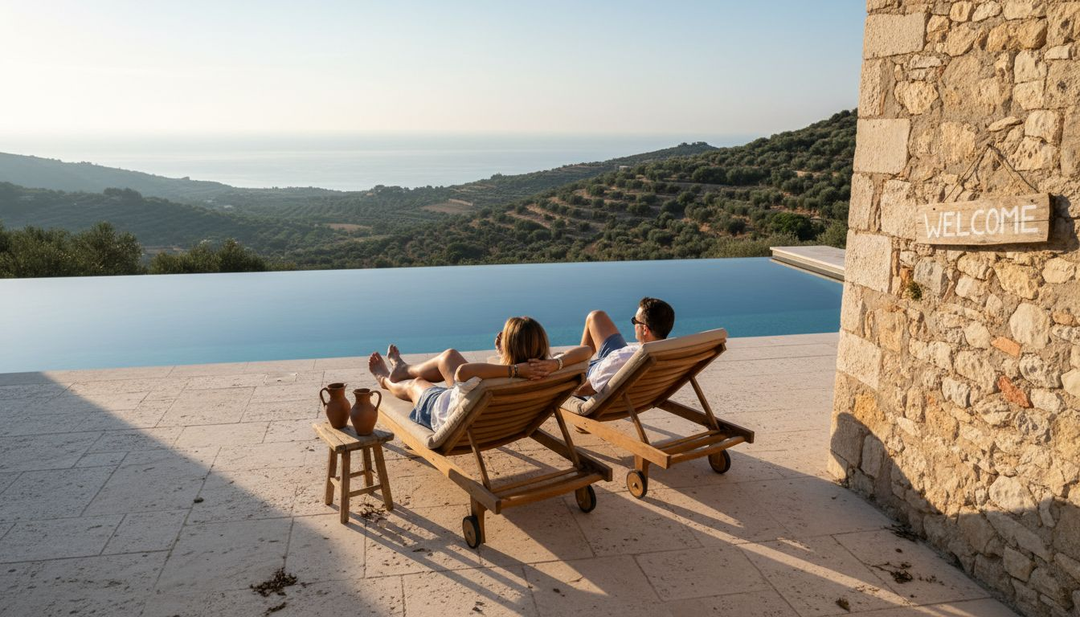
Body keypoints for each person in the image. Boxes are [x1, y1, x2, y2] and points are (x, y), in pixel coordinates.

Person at [368, 316, 592, 432]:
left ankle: (385, 379)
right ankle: (402, 367)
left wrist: (514, 369)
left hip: (451, 415)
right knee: (449, 356)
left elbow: (463, 372)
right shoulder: (546, 368)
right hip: (504, 415)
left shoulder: (486, 379)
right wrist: (556, 364)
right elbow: (586, 351)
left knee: (415, 384)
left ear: (512, 351)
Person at [560, 297, 675, 398]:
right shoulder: (671, 351)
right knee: (596, 316)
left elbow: (584, 390)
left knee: (561, 359)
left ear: (645, 329)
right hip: (621, 362)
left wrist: (563, 387)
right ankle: (582, 361)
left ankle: (581, 365)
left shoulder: (619, 358)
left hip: (604, 371)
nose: (634, 324)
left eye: (635, 321)